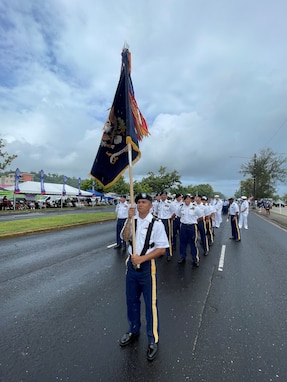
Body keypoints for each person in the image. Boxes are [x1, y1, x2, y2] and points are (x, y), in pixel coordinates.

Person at [119, 193, 169, 361]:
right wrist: (128, 219)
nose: (140, 205)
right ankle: (133, 330)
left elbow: (162, 249)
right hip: (131, 267)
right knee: (131, 301)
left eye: (143, 202)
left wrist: (143, 258)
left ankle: (153, 339)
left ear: (150, 205)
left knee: (150, 304)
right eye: (138, 202)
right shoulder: (132, 221)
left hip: (148, 267)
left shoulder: (156, 224)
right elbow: (125, 238)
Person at [176, 195, 201, 267]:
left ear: (190, 200)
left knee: (193, 243)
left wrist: (193, 221)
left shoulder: (195, 207)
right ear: (183, 200)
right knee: (182, 242)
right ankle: (182, 257)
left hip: (192, 226)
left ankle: (195, 259)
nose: (187, 200)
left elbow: (200, 216)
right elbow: (178, 215)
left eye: (188, 199)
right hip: (183, 226)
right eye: (185, 199)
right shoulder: (181, 207)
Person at [154, 191, 173, 261]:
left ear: (166, 196)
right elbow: (155, 212)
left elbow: (173, 212)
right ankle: (160, 252)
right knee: (159, 237)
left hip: (166, 220)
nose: (163, 197)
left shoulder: (169, 203)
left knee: (167, 237)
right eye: (162, 195)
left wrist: (170, 218)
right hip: (159, 220)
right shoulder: (158, 203)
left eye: (164, 195)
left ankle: (169, 253)